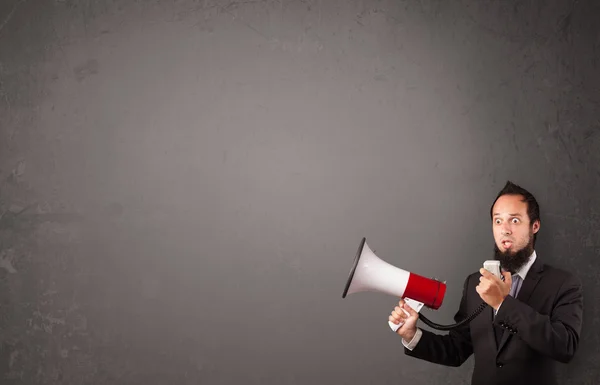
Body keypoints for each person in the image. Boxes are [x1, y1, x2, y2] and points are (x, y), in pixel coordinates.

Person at [389, 181, 583, 385]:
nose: (504, 230)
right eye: (498, 221)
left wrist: (502, 304)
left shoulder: (563, 283)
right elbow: (456, 349)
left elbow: (565, 346)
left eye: (514, 221)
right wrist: (412, 334)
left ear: (534, 226)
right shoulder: (475, 282)